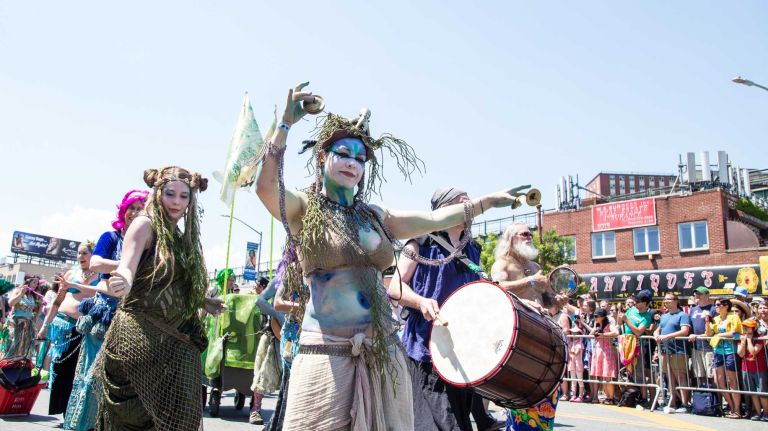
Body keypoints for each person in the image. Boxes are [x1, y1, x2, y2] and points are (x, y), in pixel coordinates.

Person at [252, 82, 519, 431]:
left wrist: (487, 202)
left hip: (383, 351)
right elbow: (264, 187)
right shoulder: (306, 209)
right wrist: (284, 125)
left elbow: (440, 218)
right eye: (344, 154)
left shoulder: (376, 216)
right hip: (326, 351)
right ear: (322, 156)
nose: (352, 163)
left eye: (360, 158)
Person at [96, 166, 225, 430]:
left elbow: (173, 281)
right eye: (170, 194)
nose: (177, 202)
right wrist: (124, 279)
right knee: (138, 419)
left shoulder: (180, 236)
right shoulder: (145, 224)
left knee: (177, 419)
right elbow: (128, 264)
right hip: (140, 337)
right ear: (157, 193)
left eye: (184, 196)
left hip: (175, 341)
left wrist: (204, 302)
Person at [389, 188, 503, 431]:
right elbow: (396, 287)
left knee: (459, 422)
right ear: (444, 210)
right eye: (463, 204)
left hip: (462, 351)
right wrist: (421, 301)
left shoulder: (472, 248)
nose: (469, 209)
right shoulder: (418, 241)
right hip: (427, 350)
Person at [64, 189, 148, 431]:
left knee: (123, 381)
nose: (135, 212)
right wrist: (130, 264)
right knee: (93, 377)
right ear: (123, 211)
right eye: (131, 207)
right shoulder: (110, 237)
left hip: (133, 315)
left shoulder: (147, 242)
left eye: (141, 208)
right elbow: (96, 263)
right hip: (104, 316)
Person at [491, 223, 566, 431]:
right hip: (519, 341)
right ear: (511, 238)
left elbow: (548, 302)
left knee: (546, 400)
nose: (529, 237)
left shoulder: (535, 268)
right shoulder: (502, 264)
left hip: (542, 337)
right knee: (522, 401)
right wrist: (530, 282)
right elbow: (496, 289)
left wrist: (557, 301)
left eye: (530, 234)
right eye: (524, 234)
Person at [37, 242, 99, 417]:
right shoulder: (71, 274)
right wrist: (44, 326)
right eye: (79, 253)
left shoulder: (102, 276)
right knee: (59, 367)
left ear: (94, 255)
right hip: (62, 326)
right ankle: (60, 408)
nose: (81, 257)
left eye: (85, 253)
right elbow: (57, 302)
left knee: (77, 371)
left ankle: (70, 413)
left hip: (83, 329)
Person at [705, 298, 743, 418]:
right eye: (715, 305)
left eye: (718, 304)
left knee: (732, 381)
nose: (715, 307)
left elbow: (736, 333)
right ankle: (732, 406)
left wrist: (719, 334)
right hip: (718, 351)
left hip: (730, 351)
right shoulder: (715, 319)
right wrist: (707, 321)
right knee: (718, 381)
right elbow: (709, 334)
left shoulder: (733, 317)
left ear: (726, 306)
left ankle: (737, 410)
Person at [653, 292, 691, 414]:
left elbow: (685, 331)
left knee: (681, 376)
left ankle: (685, 403)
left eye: (669, 300)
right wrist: (657, 335)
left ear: (676, 301)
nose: (666, 302)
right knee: (669, 377)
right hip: (665, 350)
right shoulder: (664, 316)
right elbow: (657, 330)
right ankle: (673, 401)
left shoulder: (682, 315)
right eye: (665, 300)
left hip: (678, 350)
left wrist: (667, 336)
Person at [616, 290, 655, 407]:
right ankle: (629, 395)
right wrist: (620, 315)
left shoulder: (647, 316)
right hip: (625, 344)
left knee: (639, 373)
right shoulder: (631, 310)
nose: (635, 302)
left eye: (638, 301)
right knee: (625, 372)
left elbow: (638, 331)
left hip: (637, 345)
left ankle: (643, 398)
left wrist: (626, 320)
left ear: (645, 303)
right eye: (635, 300)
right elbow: (619, 322)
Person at [2, 275, 43, 360]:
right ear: (27, 282)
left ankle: (19, 366)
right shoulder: (18, 290)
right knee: (13, 344)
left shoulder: (33, 295)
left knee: (25, 346)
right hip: (16, 322)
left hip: (28, 324)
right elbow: (10, 304)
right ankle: (6, 363)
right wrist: (21, 293)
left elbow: (37, 314)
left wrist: (41, 305)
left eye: (37, 283)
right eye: (33, 282)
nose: (35, 285)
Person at [585, 308, 619, 404]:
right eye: (594, 316)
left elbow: (616, 332)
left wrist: (603, 334)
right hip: (598, 351)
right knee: (602, 376)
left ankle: (611, 397)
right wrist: (595, 330)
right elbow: (591, 334)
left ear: (603, 317)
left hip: (607, 351)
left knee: (607, 376)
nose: (595, 318)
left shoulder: (609, 325)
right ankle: (607, 396)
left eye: (596, 316)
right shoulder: (597, 325)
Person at [737, 318, 767, 421]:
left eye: (747, 327)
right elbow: (740, 353)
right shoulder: (741, 338)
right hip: (746, 368)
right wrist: (743, 341)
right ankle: (758, 412)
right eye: (744, 326)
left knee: (762, 392)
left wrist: (749, 340)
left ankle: (766, 413)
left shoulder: (758, 338)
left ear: (753, 328)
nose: (744, 328)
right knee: (752, 392)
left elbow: (753, 351)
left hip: (759, 368)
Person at [688, 286, 715, 387]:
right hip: (696, 347)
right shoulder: (693, 309)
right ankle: (705, 400)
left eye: (700, 294)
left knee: (712, 376)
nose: (697, 296)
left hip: (709, 348)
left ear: (707, 295)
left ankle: (717, 401)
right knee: (700, 375)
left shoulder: (713, 309)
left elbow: (714, 330)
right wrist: (691, 333)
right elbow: (690, 326)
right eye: (696, 294)